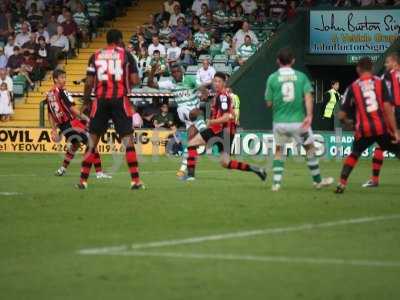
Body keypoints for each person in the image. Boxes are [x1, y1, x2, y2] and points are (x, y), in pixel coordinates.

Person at [77, 29, 144, 190]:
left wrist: (86, 101)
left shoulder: (95, 55)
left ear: (107, 41)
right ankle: (135, 180)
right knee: (127, 140)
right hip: (119, 100)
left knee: (92, 140)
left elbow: (88, 82)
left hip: (100, 101)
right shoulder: (126, 55)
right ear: (120, 40)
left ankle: (83, 181)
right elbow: (135, 80)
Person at [265, 48, 333, 191]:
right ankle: (317, 181)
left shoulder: (272, 78)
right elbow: (308, 96)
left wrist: (279, 102)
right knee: (309, 148)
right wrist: (309, 115)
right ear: (293, 61)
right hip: (298, 121)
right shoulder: (301, 77)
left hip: (279, 121)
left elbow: (268, 103)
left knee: (279, 150)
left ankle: (276, 184)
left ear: (278, 61)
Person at [184, 72, 266, 181]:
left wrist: (211, 122)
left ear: (224, 83)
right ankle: (255, 169)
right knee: (225, 162)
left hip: (219, 130)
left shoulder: (222, 96)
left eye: (219, 81)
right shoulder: (221, 95)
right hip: (228, 132)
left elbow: (226, 117)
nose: (216, 83)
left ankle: (190, 176)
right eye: (215, 81)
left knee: (191, 144)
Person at [335, 57, 400, 194]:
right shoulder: (380, 82)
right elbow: (388, 108)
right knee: (397, 150)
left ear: (358, 69)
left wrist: (348, 123)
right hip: (381, 128)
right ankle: (374, 179)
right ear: (372, 69)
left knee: (354, 154)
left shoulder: (353, 87)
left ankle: (342, 183)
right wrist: (395, 130)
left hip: (363, 129)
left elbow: (341, 115)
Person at [47, 69, 110, 178]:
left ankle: (62, 169)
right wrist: (87, 119)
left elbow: (49, 113)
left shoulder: (49, 94)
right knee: (92, 144)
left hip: (63, 126)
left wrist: (53, 129)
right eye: (62, 77)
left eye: (65, 77)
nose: (64, 80)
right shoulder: (63, 91)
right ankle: (99, 172)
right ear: (55, 79)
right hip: (72, 123)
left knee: (75, 145)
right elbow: (73, 109)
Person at [147, 63, 208, 177]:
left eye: (178, 71)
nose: (176, 74)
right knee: (198, 112)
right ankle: (206, 133)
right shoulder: (171, 83)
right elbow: (150, 84)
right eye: (173, 72)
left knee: (191, 144)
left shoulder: (190, 79)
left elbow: (203, 89)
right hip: (184, 111)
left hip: (193, 119)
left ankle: (183, 169)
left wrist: (204, 94)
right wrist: (152, 72)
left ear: (182, 71)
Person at [362, 53, 400, 188]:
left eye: (387, 62)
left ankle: (375, 179)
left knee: (381, 145)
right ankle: (374, 179)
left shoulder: (386, 76)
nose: (385, 65)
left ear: (394, 62)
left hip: (393, 114)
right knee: (384, 145)